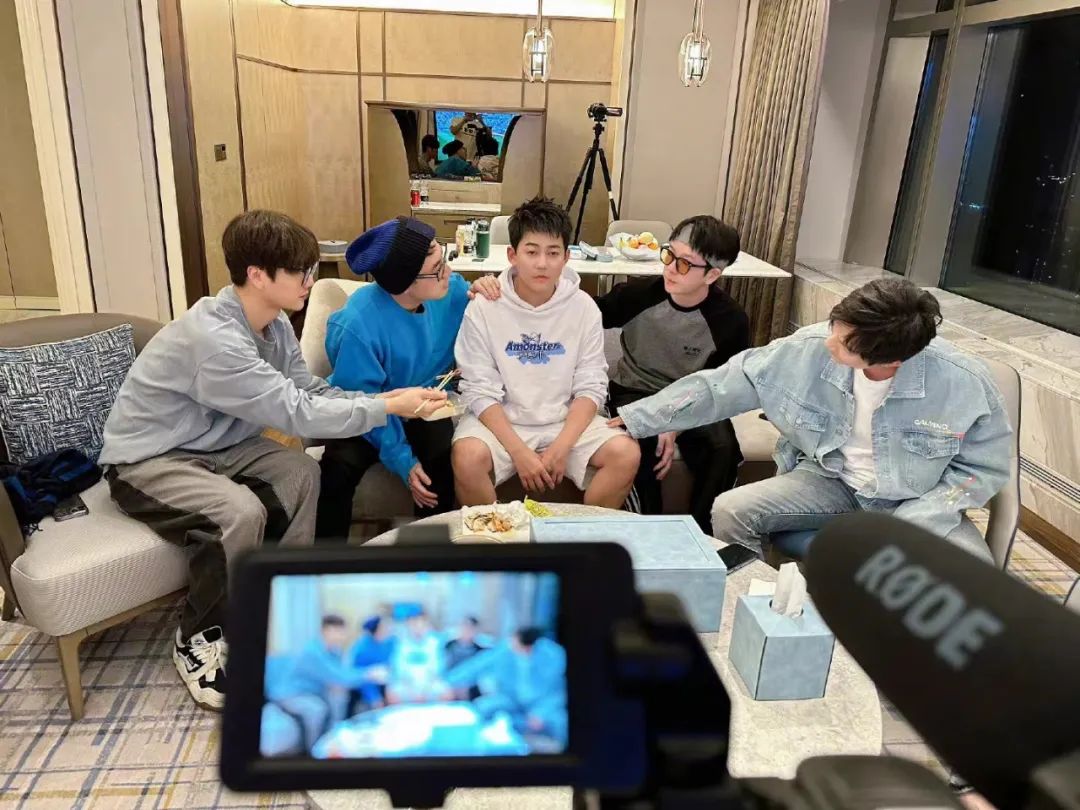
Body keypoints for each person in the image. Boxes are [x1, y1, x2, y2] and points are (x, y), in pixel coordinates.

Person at [98, 210, 446, 711]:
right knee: (237, 512)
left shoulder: (275, 322)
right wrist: (389, 408)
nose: (310, 281)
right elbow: (297, 412)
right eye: (300, 272)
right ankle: (198, 638)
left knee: (302, 472)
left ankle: (282, 603)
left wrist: (386, 398)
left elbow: (307, 389)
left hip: (219, 447)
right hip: (150, 459)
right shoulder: (215, 341)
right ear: (258, 275)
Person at [610, 277, 1012, 562]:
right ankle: (760, 604)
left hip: (918, 502)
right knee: (731, 510)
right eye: (835, 326)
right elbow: (722, 385)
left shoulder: (963, 382)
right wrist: (640, 418)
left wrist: (914, 522)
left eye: (845, 342)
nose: (829, 342)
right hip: (830, 481)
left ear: (893, 359)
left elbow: (980, 470)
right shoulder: (809, 348)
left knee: (974, 581)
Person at [314, 217, 500, 540]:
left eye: (444, 260)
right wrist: (403, 460)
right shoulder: (358, 325)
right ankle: (326, 562)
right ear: (405, 282)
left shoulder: (449, 292)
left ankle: (430, 552)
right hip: (368, 408)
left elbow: (474, 298)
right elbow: (365, 403)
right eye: (437, 269)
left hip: (425, 403)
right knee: (337, 469)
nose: (449, 273)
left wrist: (484, 287)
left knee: (439, 460)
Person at [452, 196, 640, 507]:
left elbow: (591, 384)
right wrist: (519, 452)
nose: (542, 263)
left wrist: (562, 447)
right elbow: (478, 388)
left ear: (566, 257)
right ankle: (490, 536)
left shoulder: (583, 308)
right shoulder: (485, 306)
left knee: (625, 453)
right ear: (512, 255)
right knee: (466, 456)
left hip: (563, 420)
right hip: (504, 421)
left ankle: (587, 534)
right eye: (531, 252)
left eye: (553, 253)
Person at [598, 215, 749, 532]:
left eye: (684, 264)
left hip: (694, 397)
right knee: (642, 447)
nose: (669, 268)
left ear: (712, 275)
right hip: (635, 389)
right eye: (669, 255)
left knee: (722, 448)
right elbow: (582, 312)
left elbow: (722, 386)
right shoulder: (639, 296)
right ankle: (646, 531)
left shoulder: (730, 320)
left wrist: (674, 420)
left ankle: (702, 535)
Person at [269, 615, 390, 751]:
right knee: (316, 709)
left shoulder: (335, 651)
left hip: (315, 691)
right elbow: (338, 677)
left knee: (338, 699)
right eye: (338, 632)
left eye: (343, 632)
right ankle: (314, 751)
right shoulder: (313, 652)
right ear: (326, 631)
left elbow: (342, 672)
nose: (342, 637)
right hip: (292, 694)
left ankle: (334, 742)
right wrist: (369, 674)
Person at [444, 627, 567, 747]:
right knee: (483, 707)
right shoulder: (505, 649)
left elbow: (558, 691)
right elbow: (476, 666)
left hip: (541, 703)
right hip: (511, 699)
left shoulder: (553, 655)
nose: (513, 646)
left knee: (560, 723)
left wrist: (541, 713)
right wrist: (448, 682)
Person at [386, 607, 448, 703]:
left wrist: (425, 691)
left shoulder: (434, 643)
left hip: (429, 683)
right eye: (414, 625)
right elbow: (399, 671)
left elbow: (437, 671)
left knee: (447, 693)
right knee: (391, 694)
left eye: (422, 624)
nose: (418, 628)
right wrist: (412, 692)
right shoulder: (402, 644)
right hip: (407, 684)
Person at [348, 615, 397, 710]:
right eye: (383, 628)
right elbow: (362, 676)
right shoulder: (362, 649)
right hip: (363, 689)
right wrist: (374, 698)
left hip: (385, 686)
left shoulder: (391, 642)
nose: (387, 630)